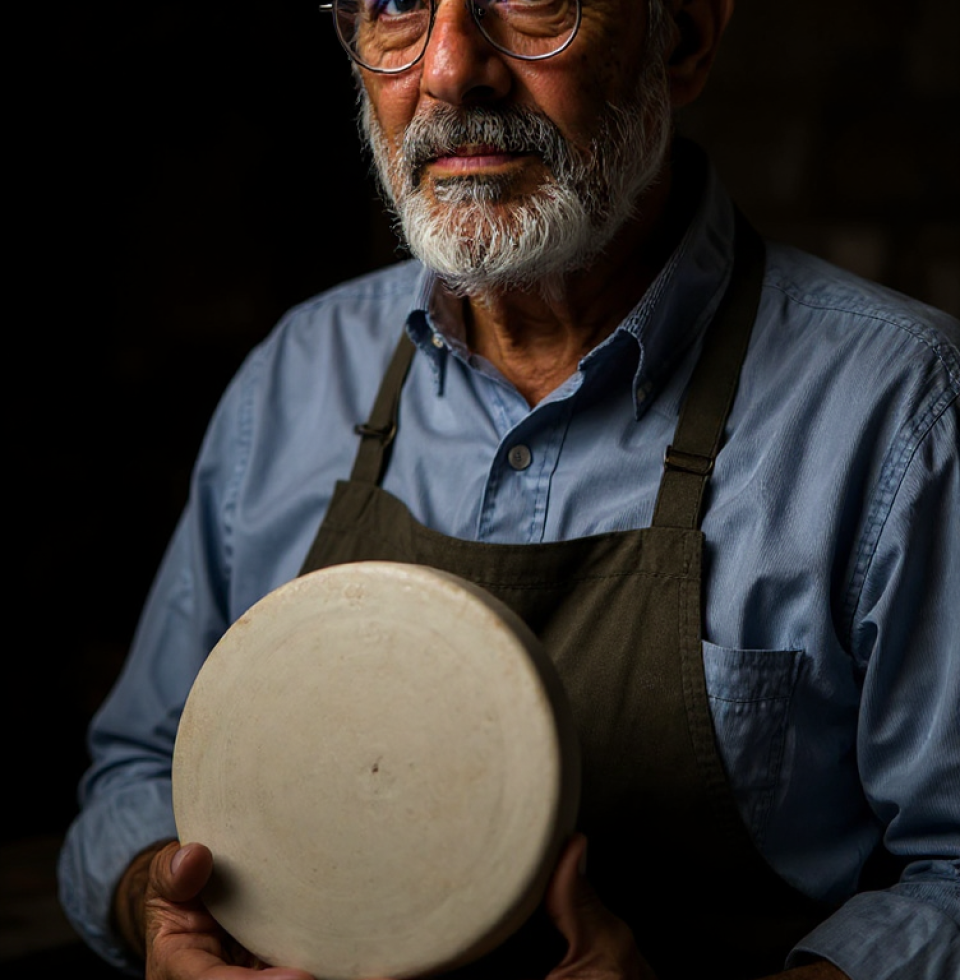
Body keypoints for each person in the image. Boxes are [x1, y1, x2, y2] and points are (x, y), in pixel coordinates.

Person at [58, 1, 959, 978]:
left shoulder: (901, 408)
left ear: (685, 39)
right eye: (398, 5)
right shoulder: (295, 378)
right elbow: (138, 771)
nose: (450, 70)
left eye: (535, 3)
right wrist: (159, 897)